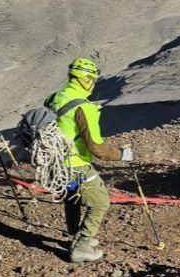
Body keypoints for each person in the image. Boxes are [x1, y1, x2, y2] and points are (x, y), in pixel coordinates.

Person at [46, 57, 134, 263]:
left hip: (55, 163)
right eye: (92, 79)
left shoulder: (54, 97)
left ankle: (74, 234)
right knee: (101, 202)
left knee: (72, 196)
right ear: (85, 79)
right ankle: (82, 245)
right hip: (75, 163)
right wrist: (122, 154)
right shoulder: (84, 108)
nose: (93, 84)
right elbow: (96, 147)